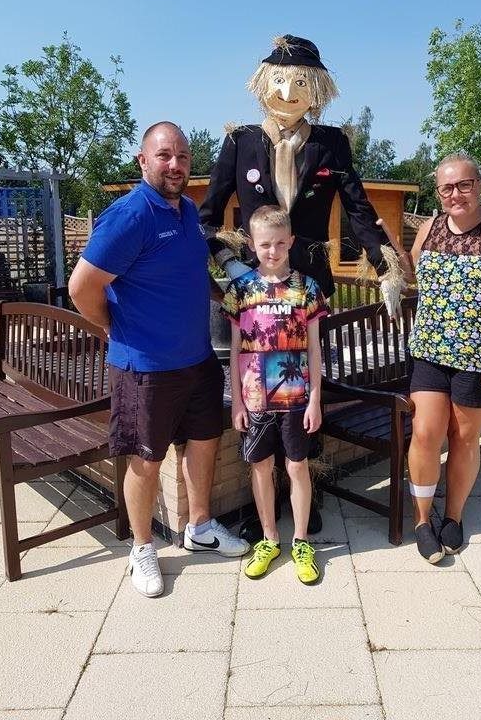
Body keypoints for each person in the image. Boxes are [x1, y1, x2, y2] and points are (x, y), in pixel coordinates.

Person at [200, 34, 404, 537]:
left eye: (299, 83)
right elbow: (207, 217)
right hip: (253, 291)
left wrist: (386, 267)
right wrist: (230, 264)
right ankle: (261, 510)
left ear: (317, 88)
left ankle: (306, 504)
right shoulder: (240, 140)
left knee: (307, 392)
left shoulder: (331, 142)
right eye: (279, 81)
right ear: (262, 83)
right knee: (254, 398)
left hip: (308, 288)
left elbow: (358, 208)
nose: (287, 92)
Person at [68, 121, 249, 598]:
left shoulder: (186, 210)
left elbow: (190, 273)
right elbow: (80, 288)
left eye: (183, 157)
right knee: (146, 459)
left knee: (204, 442)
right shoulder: (129, 216)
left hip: (198, 360)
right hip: (145, 367)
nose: (175, 165)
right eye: (164, 155)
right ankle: (143, 547)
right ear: (143, 160)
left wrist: (228, 297)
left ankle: (200, 527)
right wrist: (111, 325)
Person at [380, 153, 481, 563]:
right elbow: (417, 277)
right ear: (438, 192)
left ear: (478, 186)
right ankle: (421, 519)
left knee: (464, 437)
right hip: (429, 352)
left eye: (464, 185)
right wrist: (394, 259)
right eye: (447, 187)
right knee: (425, 433)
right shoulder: (430, 227)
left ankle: (454, 516)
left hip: (478, 359)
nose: (456, 194)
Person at [222, 205, 327, 583]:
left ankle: (301, 541)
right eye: (265, 244)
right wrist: (236, 401)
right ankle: (269, 539)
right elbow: (235, 350)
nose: (273, 250)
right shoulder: (240, 290)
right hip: (255, 398)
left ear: (291, 242)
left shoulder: (307, 288)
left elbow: (314, 349)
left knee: (297, 466)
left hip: (295, 396)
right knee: (261, 467)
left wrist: (315, 399)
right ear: (252, 244)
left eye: (280, 243)